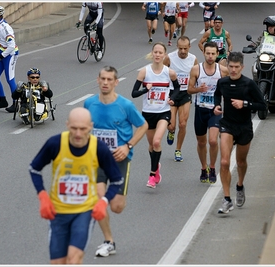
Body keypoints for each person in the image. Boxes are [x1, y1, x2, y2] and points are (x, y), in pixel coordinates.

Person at [29, 107, 124, 264]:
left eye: (83, 129)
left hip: (84, 211)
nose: (78, 134)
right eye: (74, 128)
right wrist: (43, 196)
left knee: (73, 259)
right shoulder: (55, 143)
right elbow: (34, 169)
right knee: (58, 263)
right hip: (58, 212)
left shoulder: (99, 148)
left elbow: (117, 180)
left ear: (90, 127)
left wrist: (103, 201)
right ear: (67, 125)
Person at [84, 66, 148, 257]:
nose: (105, 82)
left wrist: (127, 146)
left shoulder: (125, 105)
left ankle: (115, 200)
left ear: (116, 82)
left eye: (109, 79)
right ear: (97, 80)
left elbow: (143, 125)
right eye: (102, 79)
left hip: (120, 158)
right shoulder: (89, 104)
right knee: (99, 200)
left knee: (117, 207)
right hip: (97, 159)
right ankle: (108, 241)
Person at [213, 52, 266, 214]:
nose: (234, 70)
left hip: (244, 127)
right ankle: (227, 199)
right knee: (223, 162)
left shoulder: (249, 84)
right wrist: (216, 106)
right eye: (231, 67)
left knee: (241, 162)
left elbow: (262, 105)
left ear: (242, 67)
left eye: (237, 67)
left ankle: (240, 185)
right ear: (227, 66)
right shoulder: (222, 82)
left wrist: (244, 103)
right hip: (227, 125)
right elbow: (217, 95)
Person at [132, 42, 180, 188]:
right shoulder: (144, 72)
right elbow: (134, 93)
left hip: (163, 112)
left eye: (160, 53)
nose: (158, 55)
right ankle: (156, 166)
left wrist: (172, 98)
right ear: (152, 54)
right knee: (152, 146)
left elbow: (178, 89)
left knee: (157, 142)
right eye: (156, 52)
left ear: (164, 55)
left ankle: (152, 175)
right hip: (148, 112)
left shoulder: (169, 72)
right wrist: (146, 90)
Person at [188, 41, 228, 184]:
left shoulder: (223, 70)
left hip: (215, 110)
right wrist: (199, 89)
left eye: (213, 53)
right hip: (200, 109)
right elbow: (189, 89)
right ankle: (203, 168)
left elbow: (228, 89)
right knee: (201, 142)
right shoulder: (195, 70)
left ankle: (212, 167)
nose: (210, 56)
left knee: (212, 140)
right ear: (204, 53)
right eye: (208, 53)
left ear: (217, 54)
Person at [163, 36, 198, 162]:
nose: (183, 51)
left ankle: (178, 150)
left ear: (189, 47)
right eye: (180, 48)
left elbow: (196, 75)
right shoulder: (169, 58)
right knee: (171, 126)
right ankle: (171, 132)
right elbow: (162, 73)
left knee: (182, 124)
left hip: (185, 94)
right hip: (172, 93)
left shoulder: (193, 59)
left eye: (185, 48)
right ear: (177, 47)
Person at [0, 5, 19, 113]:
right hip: (1, 54)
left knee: (10, 79)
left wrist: (1, 56)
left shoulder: (6, 28)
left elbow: (11, 46)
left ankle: (16, 104)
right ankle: (2, 100)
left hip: (10, 55)